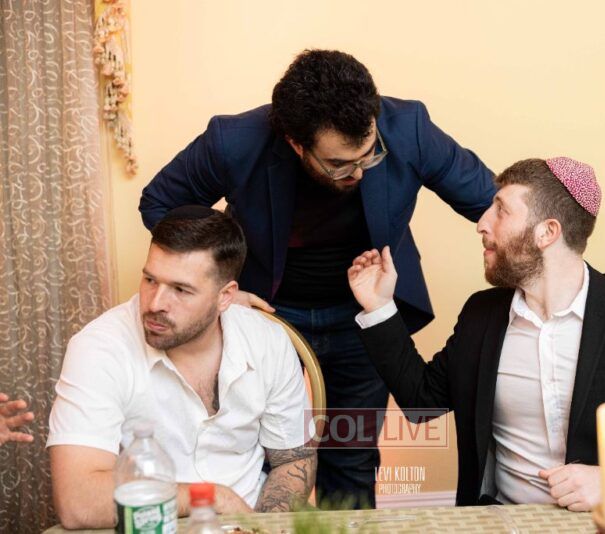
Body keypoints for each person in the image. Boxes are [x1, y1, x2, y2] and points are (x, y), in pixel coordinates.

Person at [138, 49, 495, 508]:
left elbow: (492, 204)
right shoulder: (233, 141)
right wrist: (223, 287)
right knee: (260, 453)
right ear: (295, 143)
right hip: (266, 315)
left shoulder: (409, 128)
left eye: (370, 155)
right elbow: (159, 203)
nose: (359, 171)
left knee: (352, 456)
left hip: (361, 318)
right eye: (340, 165)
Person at [348, 157, 605, 510]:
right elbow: (422, 401)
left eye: (501, 210)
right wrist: (379, 307)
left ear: (547, 232)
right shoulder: (481, 314)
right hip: (504, 520)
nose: (481, 223)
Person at [48, 207, 316, 529]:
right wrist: (210, 497)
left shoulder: (268, 340)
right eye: (150, 279)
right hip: (150, 525)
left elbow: (293, 458)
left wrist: (261, 527)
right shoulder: (99, 348)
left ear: (225, 296)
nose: (155, 303)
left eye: (181, 289)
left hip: (249, 519)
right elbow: (77, 500)